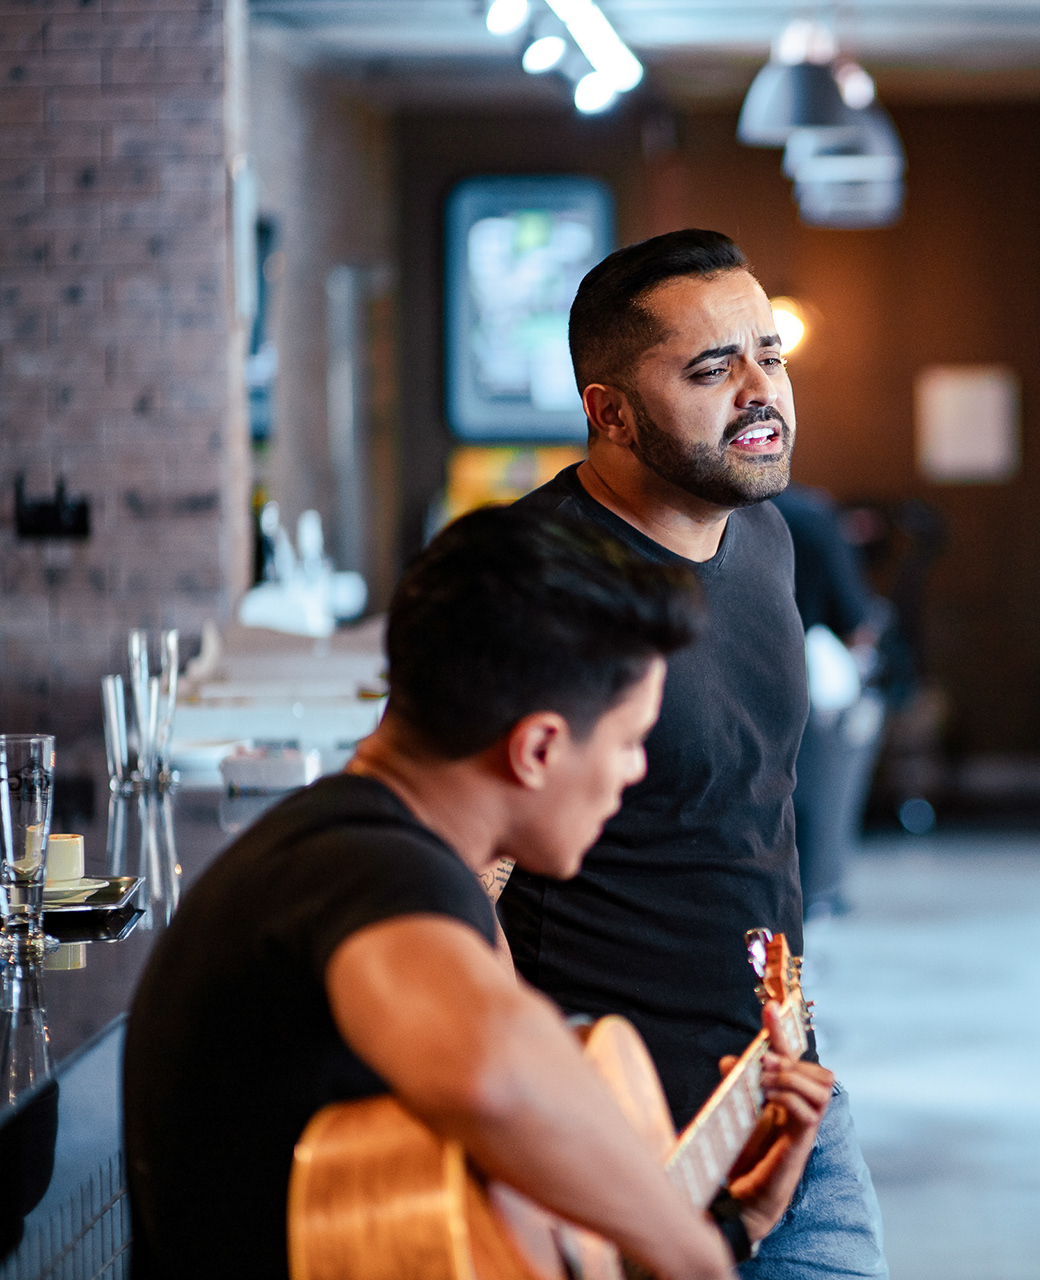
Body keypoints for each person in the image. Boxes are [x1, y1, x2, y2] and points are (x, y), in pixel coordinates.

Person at [123, 507, 834, 1279]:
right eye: (631, 742)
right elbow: (494, 1074)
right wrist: (696, 1258)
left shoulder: (369, 855)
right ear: (538, 748)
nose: (635, 772)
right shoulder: (364, 867)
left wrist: (735, 1224)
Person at [500, 229, 889, 1279]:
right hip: (621, 1141)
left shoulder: (764, 536)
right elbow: (458, 876)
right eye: (713, 369)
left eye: (770, 354)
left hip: (784, 1091)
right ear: (611, 412)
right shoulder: (535, 584)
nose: (762, 391)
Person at [772, 482, 887, 918]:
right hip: (809, 675)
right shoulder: (814, 517)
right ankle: (816, 892)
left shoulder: (716, 509)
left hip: (733, 672)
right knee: (822, 792)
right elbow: (855, 618)